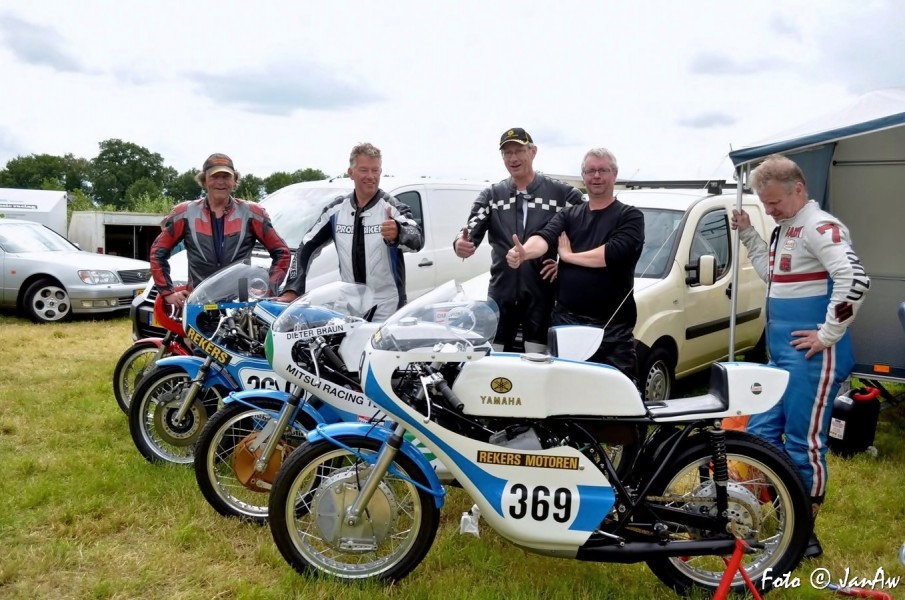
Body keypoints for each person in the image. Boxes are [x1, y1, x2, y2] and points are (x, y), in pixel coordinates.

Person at [731, 153, 870, 558]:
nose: (769, 210)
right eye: (764, 204)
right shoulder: (786, 227)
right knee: (759, 435)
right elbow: (772, 275)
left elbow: (855, 278)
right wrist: (749, 235)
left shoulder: (819, 225)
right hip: (782, 356)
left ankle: (804, 532)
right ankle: (773, 510)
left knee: (802, 443)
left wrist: (828, 334)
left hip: (813, 357)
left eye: (774, 202)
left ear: (799, 189)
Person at [505, 148, 644, 379]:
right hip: (567, 323)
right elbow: (545, 236)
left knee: (617, 398)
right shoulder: (570, 215)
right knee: (566, 392)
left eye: (602, 170)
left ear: (614, 174)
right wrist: (524, 253)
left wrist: (568, 258)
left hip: (612, 330)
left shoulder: (630, 216)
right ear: (583, 176)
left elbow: (612, 254)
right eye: (590, 171)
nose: (596, 176)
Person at [453, 128, 582, 352]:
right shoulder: (492, 195)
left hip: (542, 295)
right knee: (495, 358)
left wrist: (565, 264)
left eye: (519, 151)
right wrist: (459, 244)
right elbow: (469, 233)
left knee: (537, 359)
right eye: (507, 153)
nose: (513, 158)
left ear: (533, 152)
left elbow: (588, 231)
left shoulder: (562, 194)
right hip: (501, 293)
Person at [276, 142, 423, 320]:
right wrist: (292, 289)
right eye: (364, 170)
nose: (370, 176)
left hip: (387, 307)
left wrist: (400, 232)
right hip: (349, 306)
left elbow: (418, 239)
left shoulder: (392, 207)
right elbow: (306, 246)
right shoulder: (336, 210)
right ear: (351, 173)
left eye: (375, 170)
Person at [150, 153, 291, 307]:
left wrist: (269, 289)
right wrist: (168, 293)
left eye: (226, 177)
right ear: (204, 180)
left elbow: (282, 252)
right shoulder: (185, 213)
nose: (221, 182)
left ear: (234, 180)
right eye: (215, 176)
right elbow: (158, 252)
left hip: (241, 305)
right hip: (197, 302)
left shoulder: (251, 213)